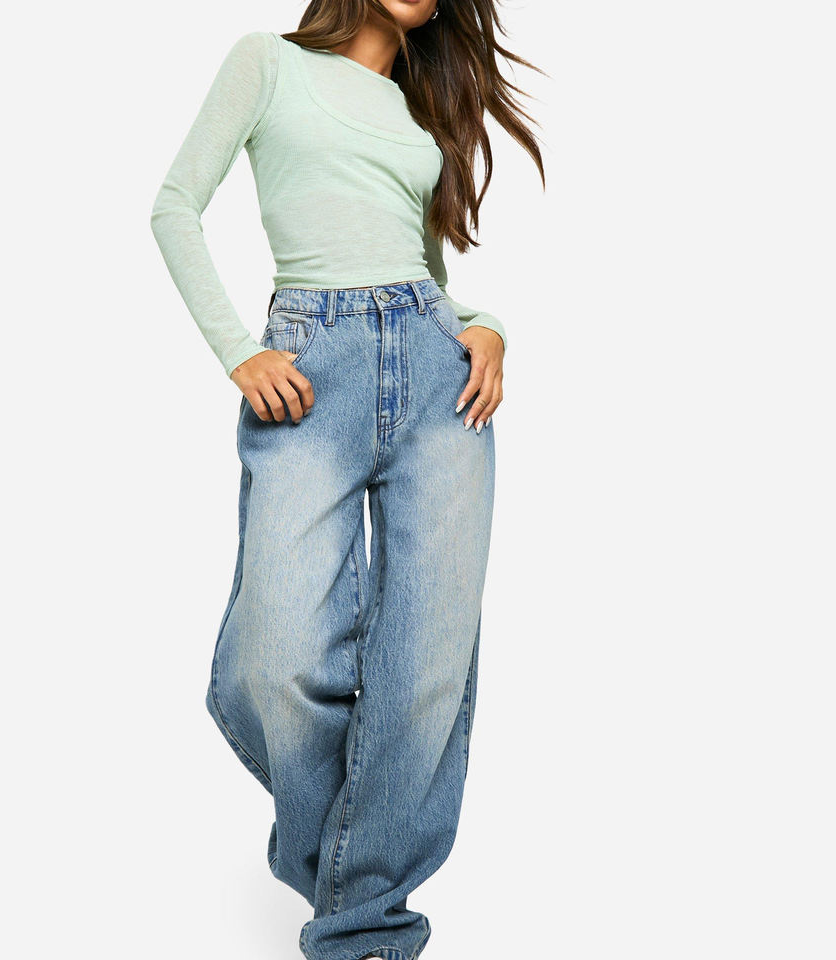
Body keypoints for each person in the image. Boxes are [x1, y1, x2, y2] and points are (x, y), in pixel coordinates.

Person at [150, 3, 544, 958]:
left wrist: (487, 326)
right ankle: (354, 875)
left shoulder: (419, 110)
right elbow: (173, 207)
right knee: (276, 659)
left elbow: (427, 273)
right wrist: (239, 351)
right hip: (308, 370)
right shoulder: (266, 63)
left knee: (427, 667)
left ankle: (364, 929)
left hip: (440, 380)